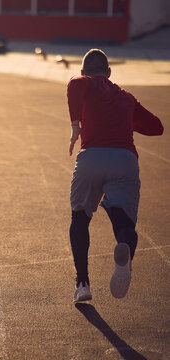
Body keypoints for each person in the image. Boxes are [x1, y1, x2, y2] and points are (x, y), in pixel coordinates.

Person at [67, 49, 163, 303]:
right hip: (124, 159)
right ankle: (125, 251)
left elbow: (75, 84)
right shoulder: (125, 97)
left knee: (80, 218)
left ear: (84, 72)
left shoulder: (83, 83)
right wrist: (123, 119)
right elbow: (157, 127)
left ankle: (82, 284)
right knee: (125, 225)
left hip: (91, 158)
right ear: (109, 73)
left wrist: (76, 125)